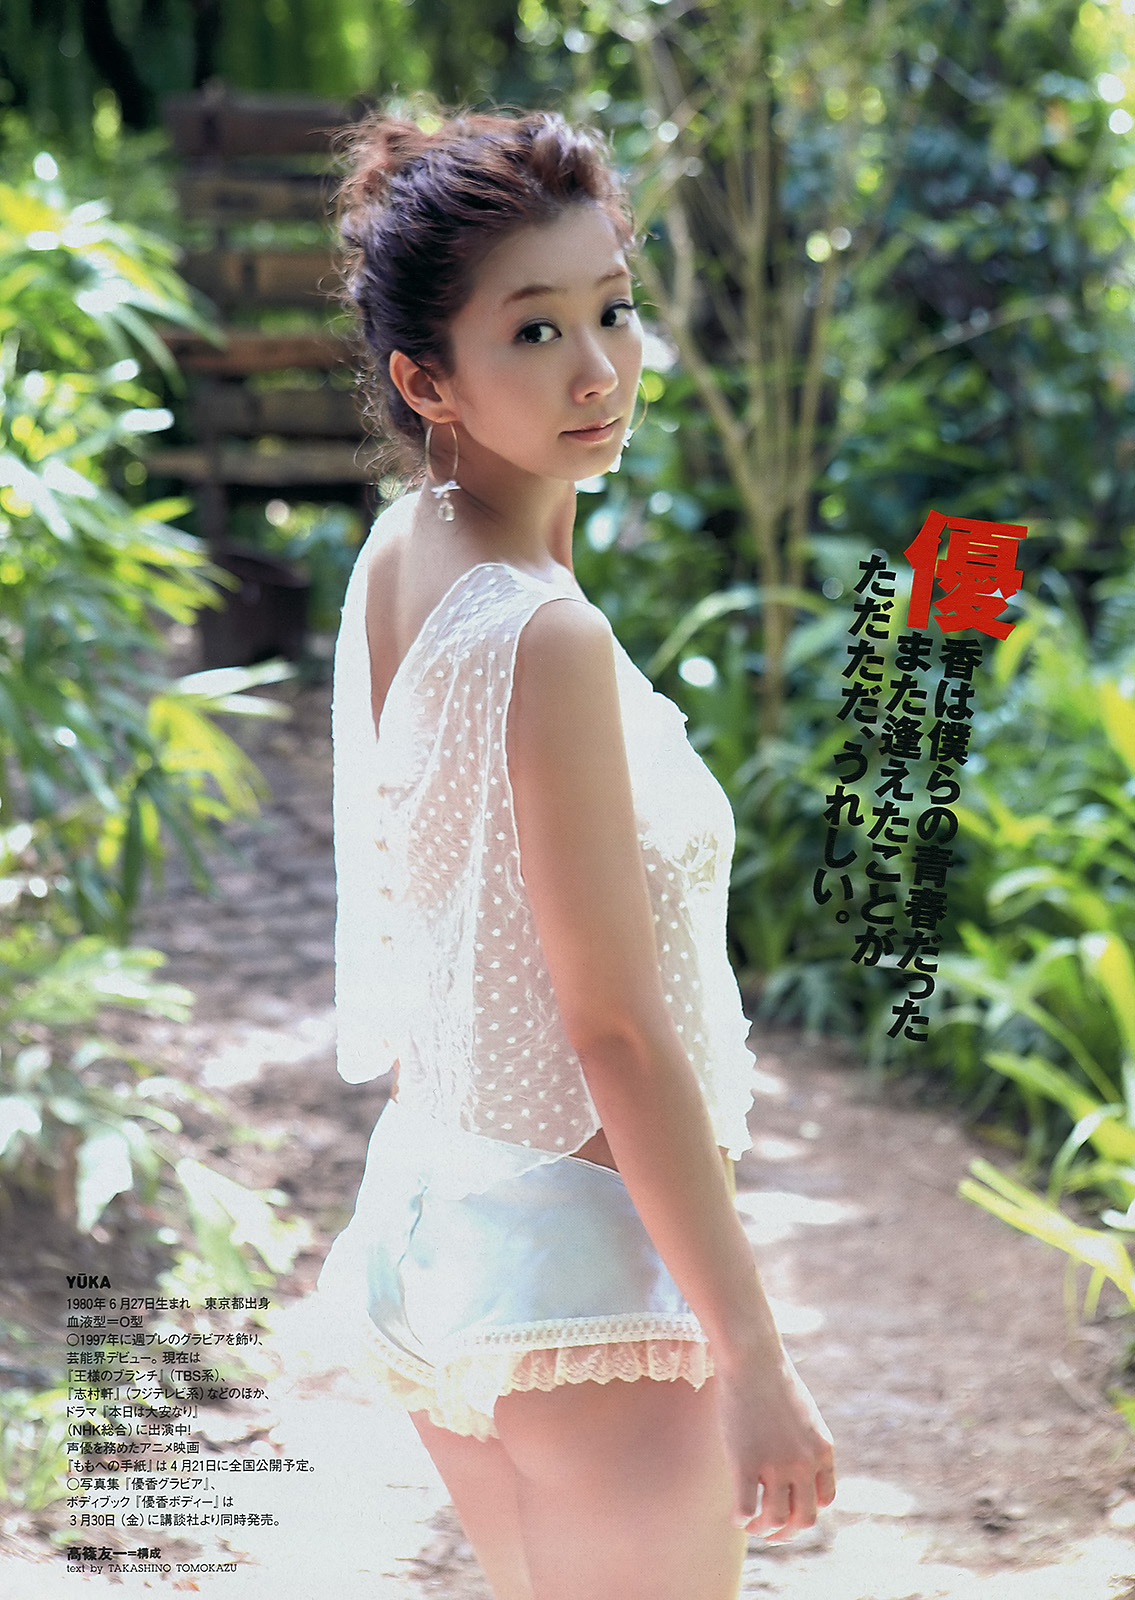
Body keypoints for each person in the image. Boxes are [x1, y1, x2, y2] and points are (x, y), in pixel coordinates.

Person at [319, 106, 835, 1600]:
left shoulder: (409, 546)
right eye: (535, 331)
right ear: (428, 379)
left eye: (613, 307)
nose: (600, 367)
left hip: (436, 1219)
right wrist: (756, 1359)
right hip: (580, 1279)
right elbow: (613, 1028)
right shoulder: (543, 633)